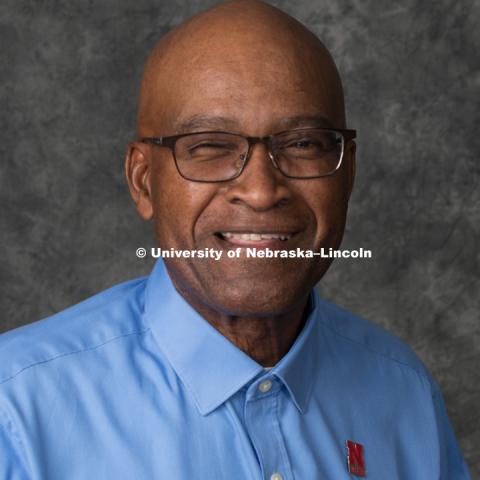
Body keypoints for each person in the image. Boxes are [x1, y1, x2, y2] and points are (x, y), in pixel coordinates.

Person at [0, 1, 471, 478]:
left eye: (303, 144)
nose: (262, 192)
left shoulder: (405, 392)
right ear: (143, 182)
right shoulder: (15, 407)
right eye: (210, 147)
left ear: (347, 173)